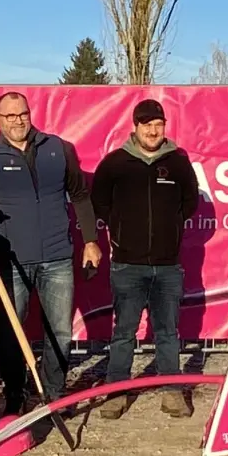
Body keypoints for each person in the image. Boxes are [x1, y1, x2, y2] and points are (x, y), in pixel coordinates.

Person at [0, 92, 102, 414]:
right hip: (12, 260)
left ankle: (53, 393)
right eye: (10, 116)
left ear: (29, 113)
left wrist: (91, 241)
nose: (18, 121)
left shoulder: (58, 148)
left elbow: (79, 195)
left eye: (22, 114)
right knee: (11, 331)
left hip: (58, 256)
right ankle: (14, 396)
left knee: (59, 330)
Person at [91, 99, 200, 419]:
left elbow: (189, 202)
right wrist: (122, 230)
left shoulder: (178, 163)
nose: (153, 131)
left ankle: (171, 393)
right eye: (147, 125)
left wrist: (173, 227)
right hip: (127, 264)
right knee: (124, 331)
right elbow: (100, 202)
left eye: (158, 125)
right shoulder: (115, 163)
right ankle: (116, 391)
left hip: (168, 265)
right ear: (135, 127)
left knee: (167, 330)